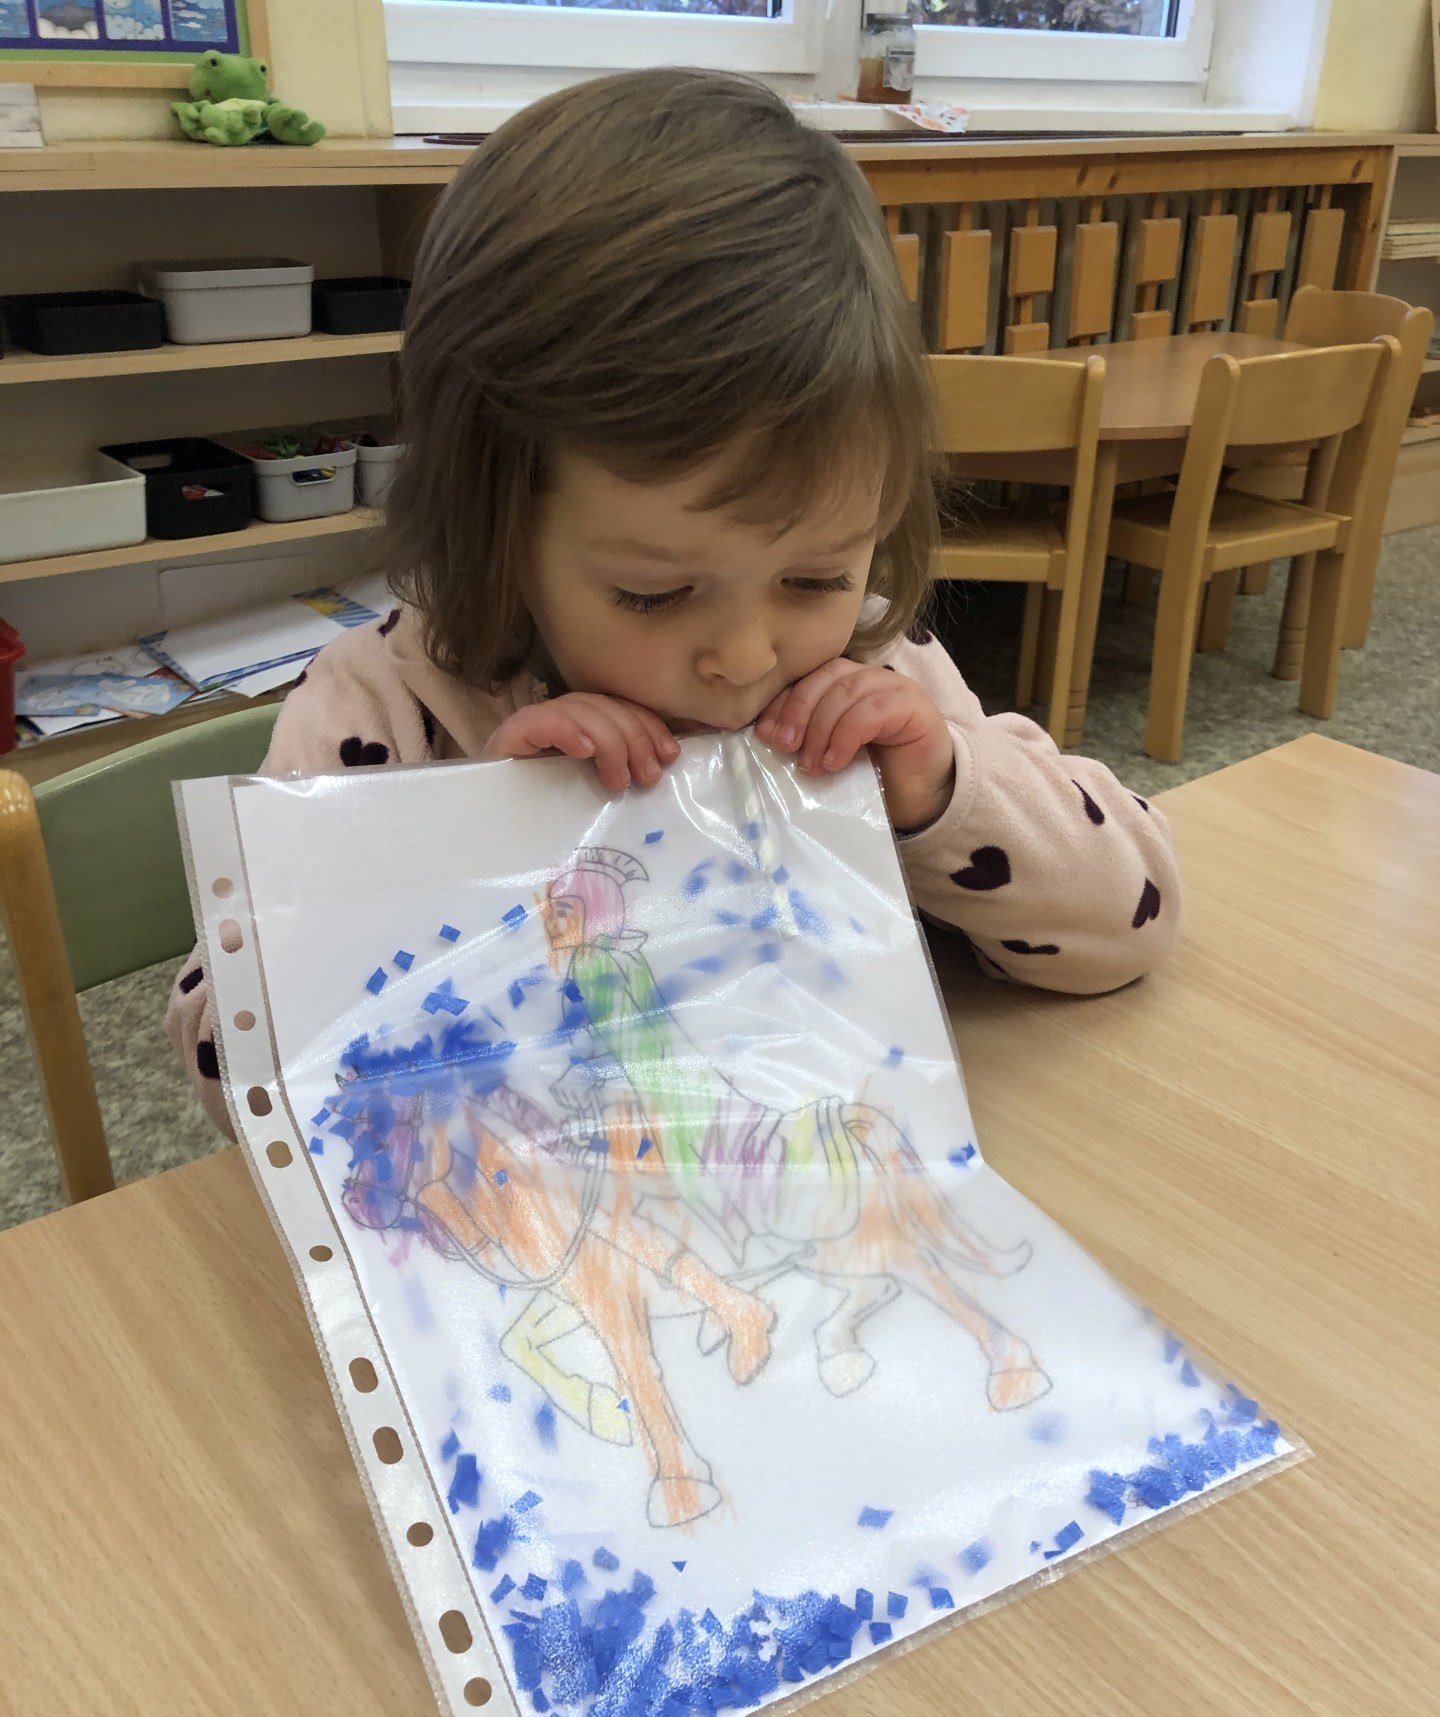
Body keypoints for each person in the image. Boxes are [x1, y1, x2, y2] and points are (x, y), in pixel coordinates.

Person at [167, 66, 1179, 1132]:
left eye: (816, 578)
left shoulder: (876, 674)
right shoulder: (387, 705)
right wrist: (480, 844)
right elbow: (231, 1070)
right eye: (652, 593)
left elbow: (1131, 923)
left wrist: (941, 793)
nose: (746, 656)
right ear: (493, 531)